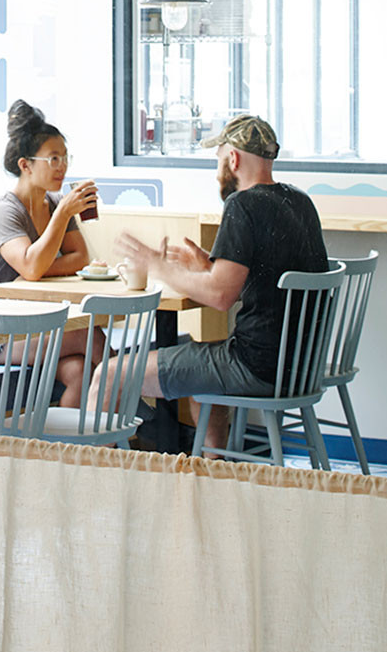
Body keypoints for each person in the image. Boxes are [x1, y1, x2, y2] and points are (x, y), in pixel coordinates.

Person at [93, 113, 327, 452]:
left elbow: (220, 297)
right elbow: (265, 283)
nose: (217, 169)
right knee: (204, 382)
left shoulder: (242, 204)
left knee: (110, 374)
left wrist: (157, 265)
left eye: (218, 159)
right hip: (299, 368)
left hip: (254, 367)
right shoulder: (300, 202)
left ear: (233, 159)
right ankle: (213, 471)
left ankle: (92, 479)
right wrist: (209, 266)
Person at [0, 98, 104, 408]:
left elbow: (79, 258)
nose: (62, 166)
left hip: (26, 324)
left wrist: (34, 270)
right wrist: (62, 217)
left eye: (65, 158)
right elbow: (30, 266)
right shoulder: (4, 212)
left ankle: (65, 442)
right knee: (88, 334)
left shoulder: (53, 204)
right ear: (25, 165)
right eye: (53, 159)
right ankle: (134, 397)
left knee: (80, 372)